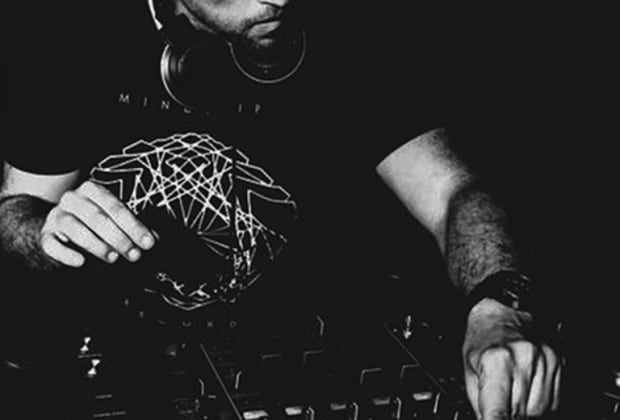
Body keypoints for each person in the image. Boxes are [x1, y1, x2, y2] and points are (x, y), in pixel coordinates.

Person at [0, 1, 562, 419]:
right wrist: (48, 231)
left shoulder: (350, 36)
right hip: (110, 353)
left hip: (284, 358)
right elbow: (17, 208)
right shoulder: (71, 28)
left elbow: (453, 192)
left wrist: (501, 306)